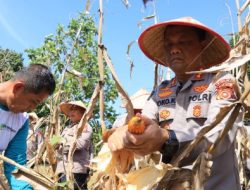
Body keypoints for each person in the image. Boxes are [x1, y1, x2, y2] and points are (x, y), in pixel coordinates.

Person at [108, 17, 242, 190]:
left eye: (184, 42)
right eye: (169, 44)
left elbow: (219, 137)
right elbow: (143, 122)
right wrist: (126, 132)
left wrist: (167, 139)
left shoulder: (222, 83)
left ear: (203, 45)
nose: (175, 49)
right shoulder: (160, 91)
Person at [0, 64, 56, 189]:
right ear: (18, 87)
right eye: (34, 101)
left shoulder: (21, 120)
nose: (32, 108)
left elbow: (15, 165)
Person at [56, 100, 92, 190]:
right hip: (62, 168)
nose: (71, 111)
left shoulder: (85, 127)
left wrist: (64, 142)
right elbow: (57, 141)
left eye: (75, 109)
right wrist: (53, 142)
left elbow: (80, 144)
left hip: (76, 169)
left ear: (82, 114)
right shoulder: (67, 128)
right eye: (70, 109)